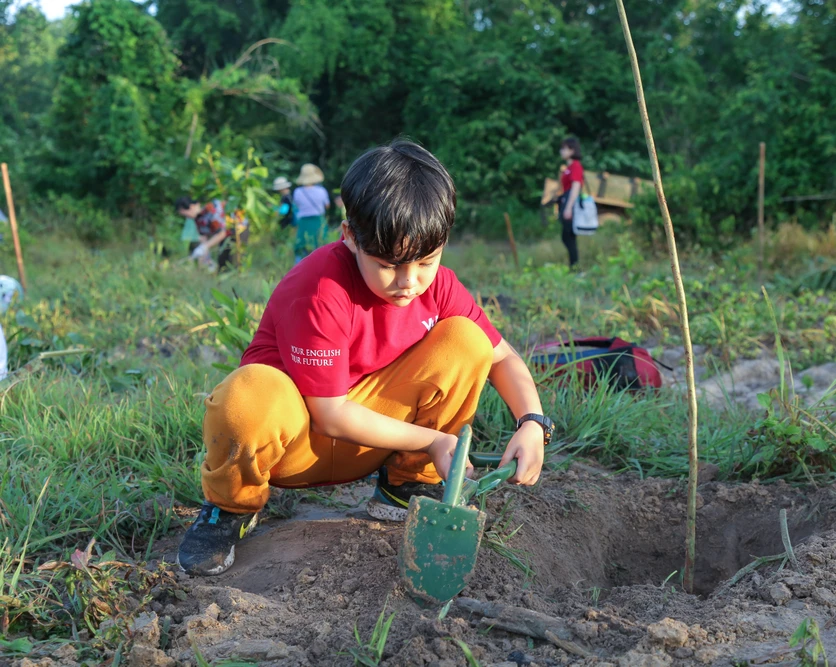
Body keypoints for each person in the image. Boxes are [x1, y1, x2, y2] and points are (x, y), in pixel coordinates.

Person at [176, 140, 553, 576]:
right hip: (296, 446)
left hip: (374, 438)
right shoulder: (320, 288)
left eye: (426, 261)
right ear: (350, 235)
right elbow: (330, 415)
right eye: (388, 264)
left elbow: (502, 357)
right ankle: (231, 507)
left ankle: (407, 485)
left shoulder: (439, 286)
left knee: (468, 341)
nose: (409, 282)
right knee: (246, 394)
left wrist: (532, 422)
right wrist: (432, 440)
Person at [175, 197, 248, 272]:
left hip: (239, 229)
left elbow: (222, 233)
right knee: (222, 261)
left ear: (191, 207)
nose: (187, 217)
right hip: (225, 234)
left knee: (235, 259)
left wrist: (204, 247)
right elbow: (203, 236)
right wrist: (206, 258)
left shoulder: (212, 209)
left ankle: (240, 277)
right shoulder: (197, 218)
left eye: (186, 214)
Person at [292, 163, 330, 263]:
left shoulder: (297, 192)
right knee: (320, 245)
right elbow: (327, 205)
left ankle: (299, 268)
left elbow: (297, 205)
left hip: (304, 222)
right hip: (318, 220)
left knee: (302, 247)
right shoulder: (322, 191)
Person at [557, 137, 585, 268]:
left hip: (571, 204)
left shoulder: (576, 166)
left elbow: (576, 187)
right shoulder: (568, 167)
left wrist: (568, 208)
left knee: (568, 236)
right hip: (566, 201)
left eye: (564, 148)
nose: (561, 151)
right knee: (568, 237)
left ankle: (575, 267)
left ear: (572, 150)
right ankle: (574, 266)